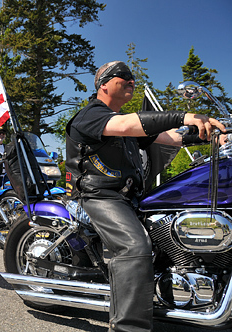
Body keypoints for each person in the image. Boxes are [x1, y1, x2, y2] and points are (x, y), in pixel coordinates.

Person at [65, 61, 224, 332]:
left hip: (129, 198)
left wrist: (213, 135)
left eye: (132, 78)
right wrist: (184, 115)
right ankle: (128, 328)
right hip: (99, 196)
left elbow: (171, 137)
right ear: (103, 83)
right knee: (134, 247)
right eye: (123, 76)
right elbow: (127, 124)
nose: (131, 81)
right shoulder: (92, 115)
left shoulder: (124, 127)